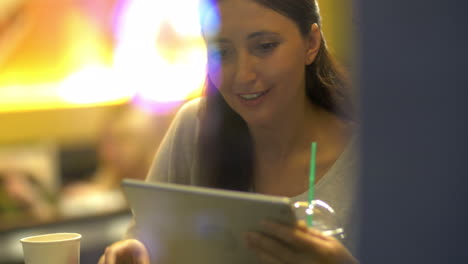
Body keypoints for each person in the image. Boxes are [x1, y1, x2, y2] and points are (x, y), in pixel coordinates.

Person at [99, 0, 359, 263]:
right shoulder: (195, 130)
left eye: (265, 47)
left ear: (311, 43)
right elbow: (144, 239)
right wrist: (130, 252)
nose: (243, 74)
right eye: (223, 53)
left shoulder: (367, 159)